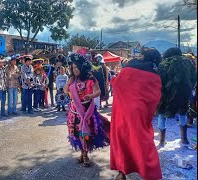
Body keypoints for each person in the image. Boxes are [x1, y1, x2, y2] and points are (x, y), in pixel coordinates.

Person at [110, 48, 163, 180]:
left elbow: (117, 85)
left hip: (122, 112)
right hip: (140, 112)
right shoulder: (154, 75)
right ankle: (150, 173)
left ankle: (122, 173)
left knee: (122, 140)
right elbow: (155, 96)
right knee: (143, 140)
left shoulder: (127, 69)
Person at [64, 53, 110, 167]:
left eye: (76, 67)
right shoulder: (72, 79)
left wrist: (91, 96)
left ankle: (85, 155)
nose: (74, 70)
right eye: (73, 68)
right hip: (74, 112)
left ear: (82, 66)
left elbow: (98, 91)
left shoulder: (91, 79)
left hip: (86, 111)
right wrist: (69, 82)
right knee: (76, 133)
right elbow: (65, 91)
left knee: (85, 132)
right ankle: (82, 153)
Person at [156, 47, 197, 146]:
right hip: (183, 92)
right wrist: (189, 88)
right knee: (183, 113)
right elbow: (194, 77)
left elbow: (159, 79)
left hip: (166, 93)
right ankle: (184, 139)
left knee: (162, 114)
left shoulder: (163, 64)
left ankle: (162, 140)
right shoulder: (188, 62)